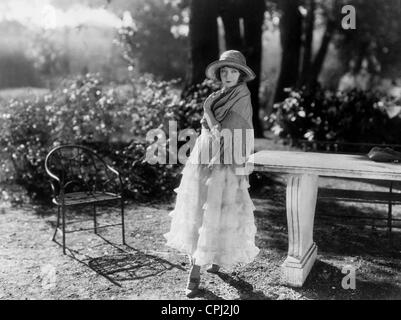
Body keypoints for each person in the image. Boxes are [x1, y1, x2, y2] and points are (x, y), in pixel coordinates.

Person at [164, 50, 260, 297]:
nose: (228, 75)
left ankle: (202, 265)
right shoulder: (218, 95)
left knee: (217, 206)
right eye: (224, 71)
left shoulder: (241, 97)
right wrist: (208, 114)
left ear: (241, 75)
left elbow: (230, 132)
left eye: (233, 71)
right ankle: (197, 265)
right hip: (204, 152)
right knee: (198, 206)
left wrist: (209, 114)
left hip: (224, 158)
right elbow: (208, 128)